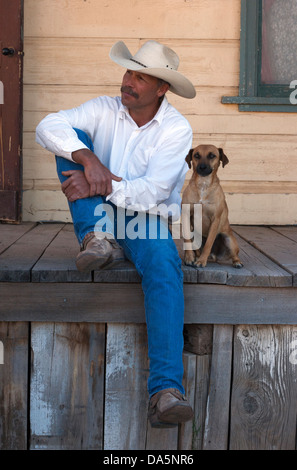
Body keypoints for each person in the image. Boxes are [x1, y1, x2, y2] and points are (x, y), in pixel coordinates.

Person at [36, 40, 196, 428]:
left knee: (164, 263)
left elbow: (155, 190)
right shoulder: (104, 108)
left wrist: (100, 183)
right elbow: (47, 125)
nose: (129, 81)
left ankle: (165, 392)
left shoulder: (176, 129)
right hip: (99, 216)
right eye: (128, 72)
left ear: (162, 88)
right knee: (69, 138)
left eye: (141, 77)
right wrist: (88, 160)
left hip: (144, 217)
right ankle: (96, 239)